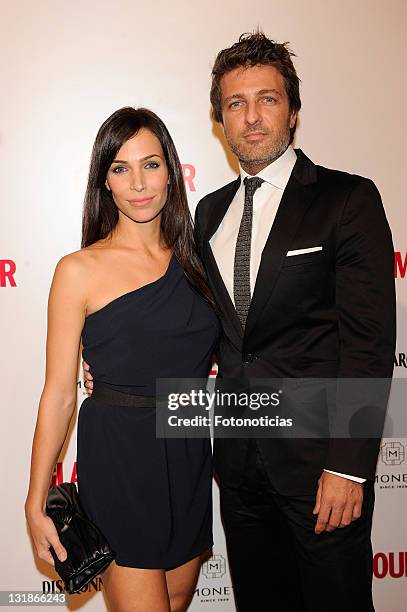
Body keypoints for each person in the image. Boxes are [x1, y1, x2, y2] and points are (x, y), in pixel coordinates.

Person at [82, 34, 396, 611]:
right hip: (235, 468)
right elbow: (176, 315)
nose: (251, 117)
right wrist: (105, 352)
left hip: (319, 468)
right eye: (234, 103)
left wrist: (349, 469)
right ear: (219, 119)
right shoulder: (207, 213)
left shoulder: (346, 200)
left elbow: (369, 345)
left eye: (267, 99)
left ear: (293, 111)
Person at [24, 107, 220, 612]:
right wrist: (34, 498)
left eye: (151, 165)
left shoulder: (200, 261)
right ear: (103, 182)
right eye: (120, 168)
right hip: (121, 459)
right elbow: (60, 392)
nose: (138, 183)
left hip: (188, 452)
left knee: (175, 602)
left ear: (171, 174)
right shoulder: (79, 270)